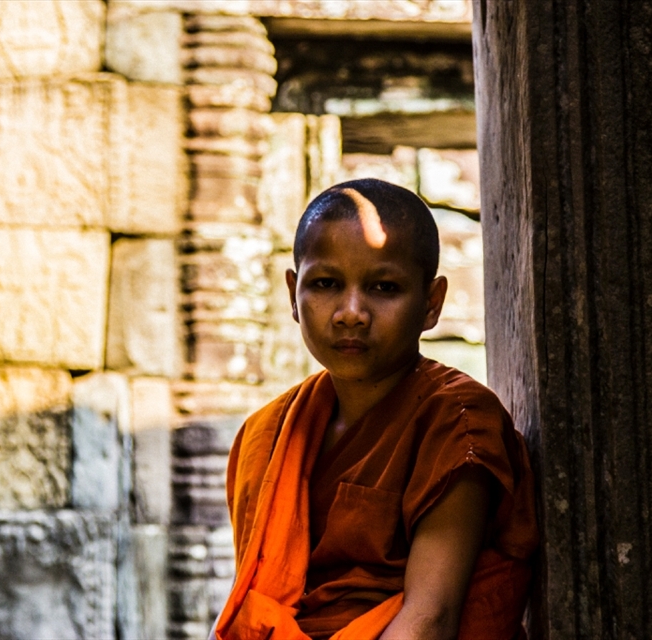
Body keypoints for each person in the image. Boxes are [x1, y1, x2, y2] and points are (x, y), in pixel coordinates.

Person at [211, 179, 539, 640]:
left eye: (384, 287)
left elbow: (431, 618)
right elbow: (249, 602)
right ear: (292, 294)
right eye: (325, 284)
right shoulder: (268, 434)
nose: (350, 312)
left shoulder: (456, 422)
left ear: (432, 303)